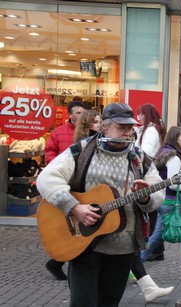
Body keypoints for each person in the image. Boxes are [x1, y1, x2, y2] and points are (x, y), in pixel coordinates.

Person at [36, 103, 168, 306]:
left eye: (129, 127)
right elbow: (46, 179)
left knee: (110, 302)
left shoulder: (139, 158)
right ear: (105, 126)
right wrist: (74, 207)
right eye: (121, 127)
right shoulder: (81, 151)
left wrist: (145, 198)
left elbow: (157, 189)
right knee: (82, 303)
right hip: (84, 244)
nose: (126, 133)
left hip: (123, 249)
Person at [140, 126, 181, 284]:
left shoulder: (164, 153)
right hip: (172, 202)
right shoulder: (175, 157)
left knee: (156, 237)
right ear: (175, 139)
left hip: (164, 201)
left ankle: (134, 267)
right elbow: (174, 184)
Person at [43, 100, 85, 281]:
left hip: (79, 185)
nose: (81, 115)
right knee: (69, 225)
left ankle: (57, 261)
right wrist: (55, 166)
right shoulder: (59, 132)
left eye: (83, 112)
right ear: (69, 115)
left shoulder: (87, 133)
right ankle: (57, 260)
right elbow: (49, 151)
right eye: (77, 112)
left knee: (77, 225)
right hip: (63, 185)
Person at [135, 103, 167, 262]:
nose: (138, 117)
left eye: (140, 114)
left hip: (147, 173)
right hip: (152, 172)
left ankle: (154, 250)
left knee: (153, 212)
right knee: (154, 212)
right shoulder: (155, 129)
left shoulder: (150, 131)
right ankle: (156, 250)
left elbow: (143, 154)